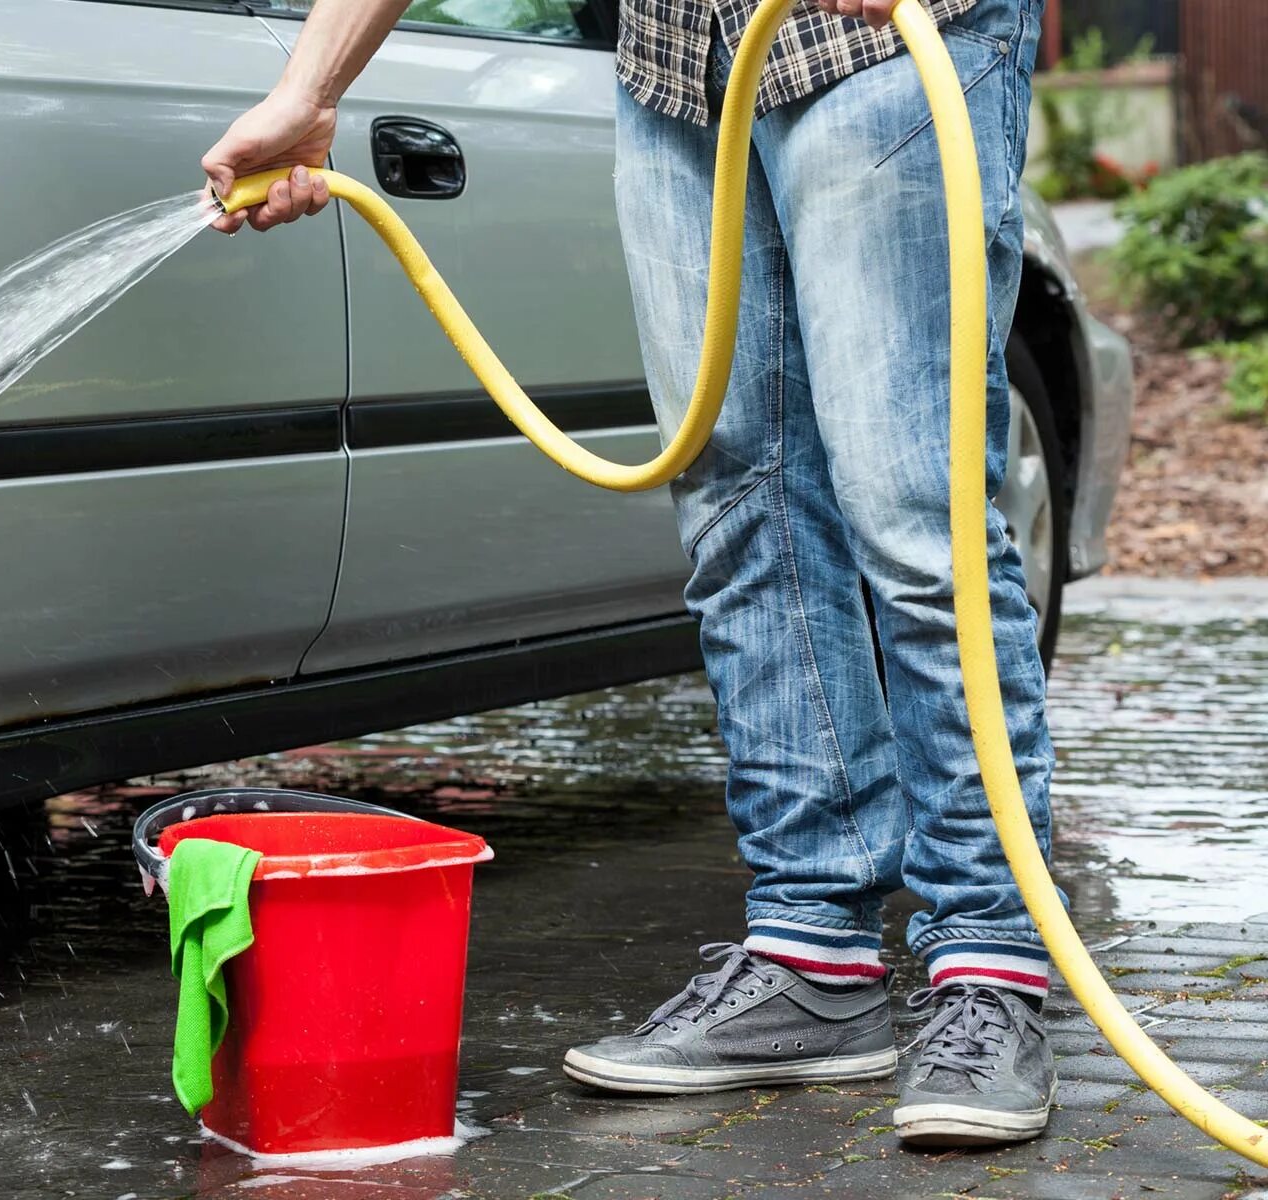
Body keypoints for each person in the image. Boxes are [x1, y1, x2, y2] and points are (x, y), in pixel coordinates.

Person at [202, 0, 1057, 1147]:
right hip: (677, 70)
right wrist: (309, 87)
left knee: (913, 514)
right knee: (736, 506)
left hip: (884, 46)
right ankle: (813, 958)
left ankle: (990, 968)